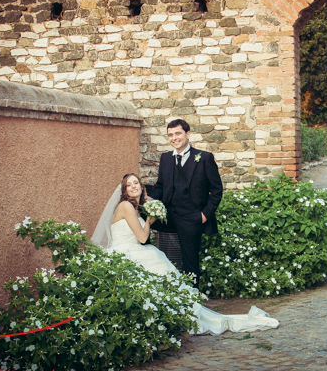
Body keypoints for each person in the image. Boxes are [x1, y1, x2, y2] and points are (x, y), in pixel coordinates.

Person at [90, 173, 279, 335]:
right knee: (159, 266)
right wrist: (149, 221)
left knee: (162, 270)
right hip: (126, 251)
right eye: (128, 185)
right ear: (124, 190)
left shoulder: (136, 208)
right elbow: (141, 238)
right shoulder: (126, 206)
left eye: (136, 183)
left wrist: (149, 212)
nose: (133, 187)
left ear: (141, 186)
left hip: (135, 248)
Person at [149, 119, 223, 287]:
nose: (174, 138)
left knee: (190, 261)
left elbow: (216, 190)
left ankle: (192, 298)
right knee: (139, 223)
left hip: (192, 217)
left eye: (178, 133)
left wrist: (204, 214)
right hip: (168, 215)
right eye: (170, 135)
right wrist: (151, 201)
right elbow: (160, 185)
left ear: (187, 134)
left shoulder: (204, 158)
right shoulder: (166, 158)